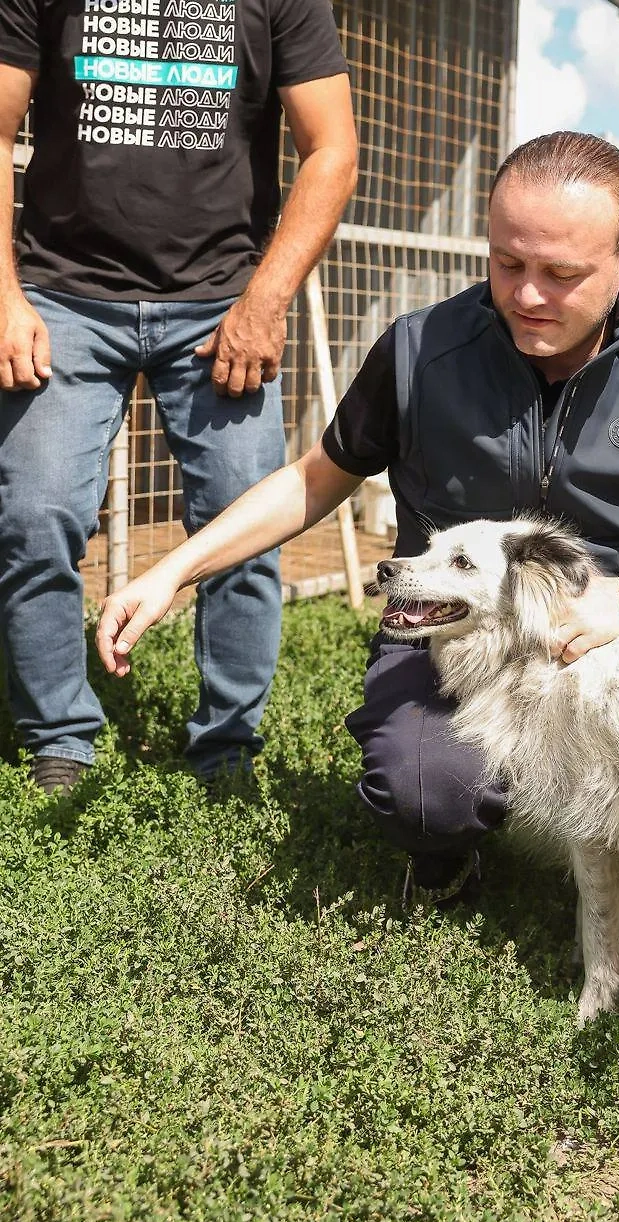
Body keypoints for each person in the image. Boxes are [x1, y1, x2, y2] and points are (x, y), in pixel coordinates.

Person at [97, 132, 619, 982]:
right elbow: (314, 481)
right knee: (427, 792)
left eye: (560, 274)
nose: (526, 295)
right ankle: (450, 853)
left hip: (610, 637)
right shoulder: (418, 348)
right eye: (506, 261)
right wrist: (170, 569)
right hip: (456, 634)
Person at [0, 0, 358, 793]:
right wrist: (3, 294)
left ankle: (227, 747)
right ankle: (58, 735)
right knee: (33, 516)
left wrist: (266, 299)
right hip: (64, 296)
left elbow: (330, 147)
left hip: (221, 304)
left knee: (246, 526)